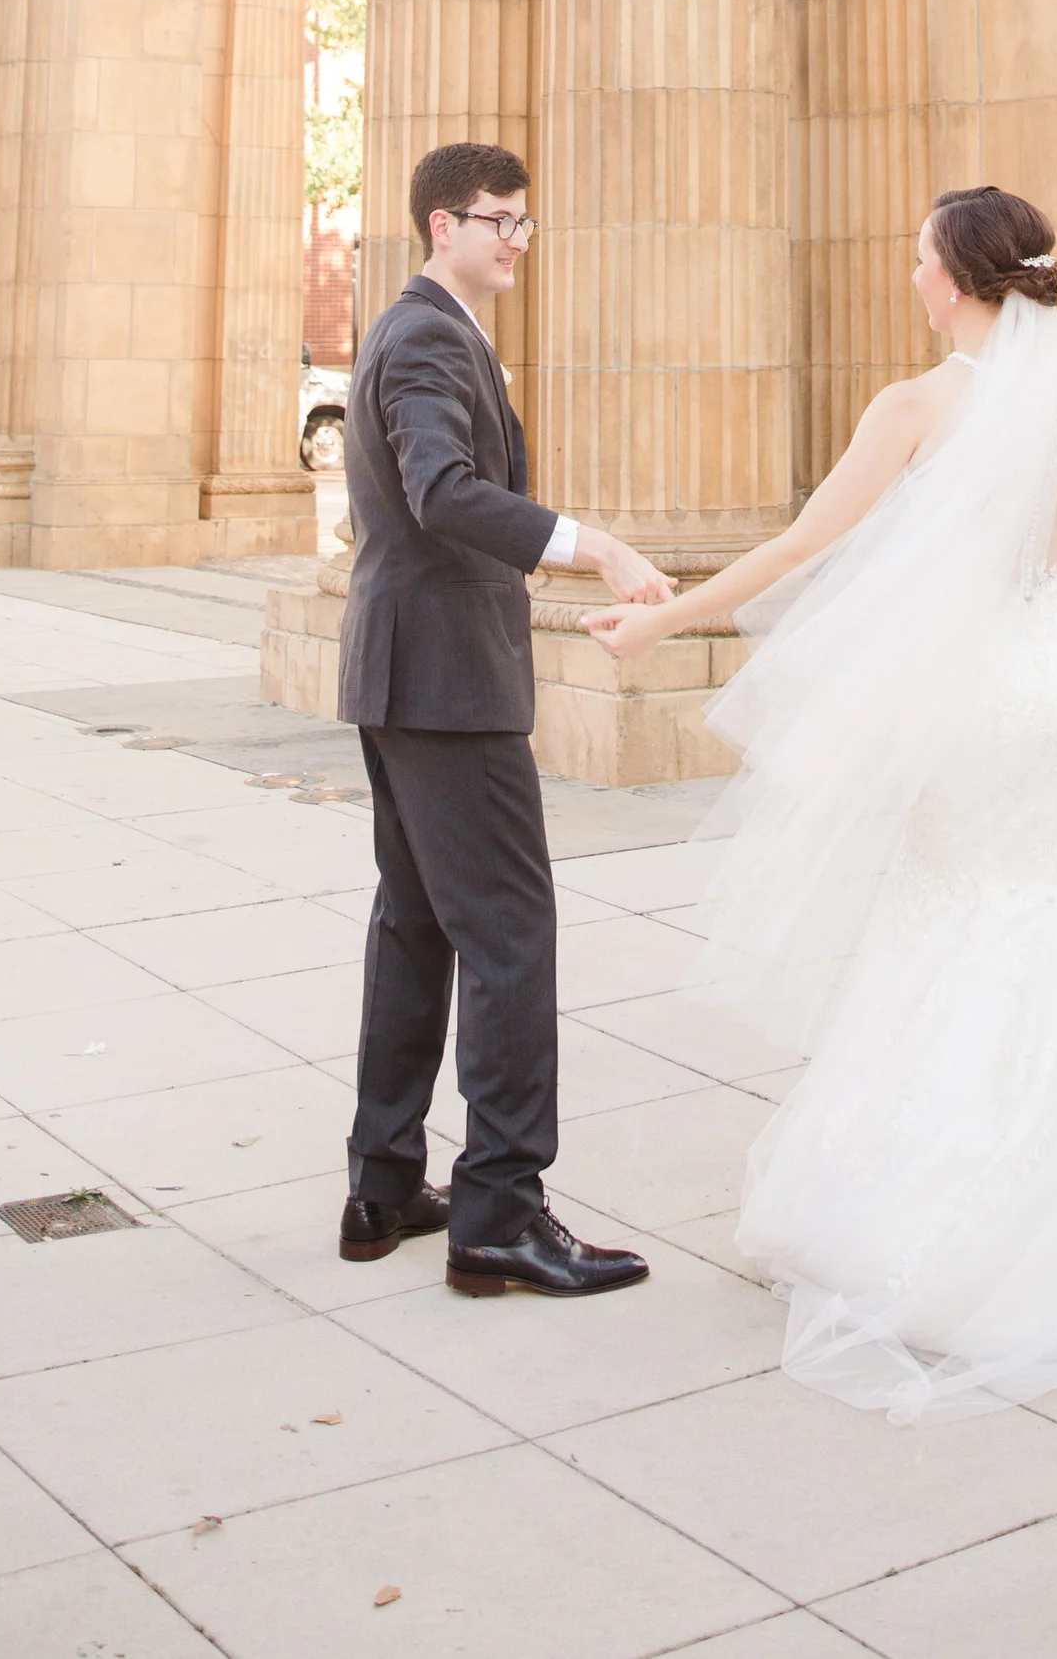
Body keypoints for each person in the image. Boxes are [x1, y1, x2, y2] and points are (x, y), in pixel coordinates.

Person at [587, 182, 1057, 1419]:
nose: (909, 277)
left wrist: (662, 622)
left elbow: (800, 547)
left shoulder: (913, 407)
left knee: (961, 904)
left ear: (954, 280)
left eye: (917, 259)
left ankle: (951, 1218)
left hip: (979, 694)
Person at [336, 140, 668, 1298]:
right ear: (443, 225)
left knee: (417, 925)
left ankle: (384, 1187)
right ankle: (500, 1213)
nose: (518, 240)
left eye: (526, 222)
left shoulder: (427, 330)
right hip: (446, 682)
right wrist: (594, 546)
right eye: (500, 221)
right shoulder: (428, 335)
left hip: (407, 673)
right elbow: (441, 490)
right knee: (510, 933)